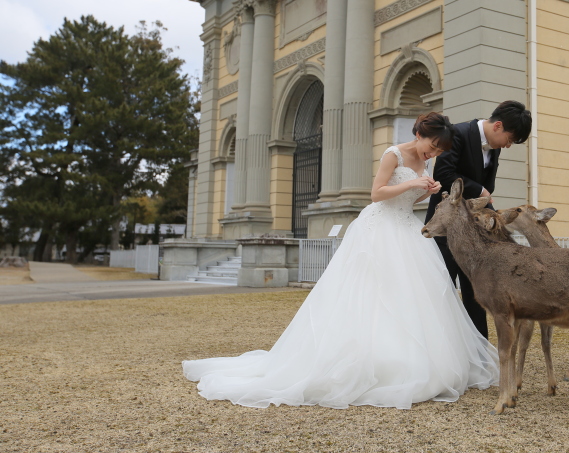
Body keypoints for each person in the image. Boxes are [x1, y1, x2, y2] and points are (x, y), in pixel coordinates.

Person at [183, 112, 499, 409]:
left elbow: (407, 198)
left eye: (437, 152)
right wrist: (413, 183)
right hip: (380, 227)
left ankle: (414, 359)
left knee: (411, 293)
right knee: (371, 291)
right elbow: (377, 193)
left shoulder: (426, 161)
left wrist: (427, 189)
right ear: (419, 134)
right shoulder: (394, 154)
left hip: (406, 228)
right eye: (431, 147)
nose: (432, 155)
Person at [424, 101, 532, 338]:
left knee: (476, 292)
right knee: (442, 288)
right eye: (510, 139)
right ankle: (438, 345)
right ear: (498, 126)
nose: (509, 145)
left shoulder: (495, 146)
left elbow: (487, 186)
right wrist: (480, 190)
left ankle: (479, 353)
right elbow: (443, 175)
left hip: (474, 236)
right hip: (447, 229)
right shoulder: (458, 133)